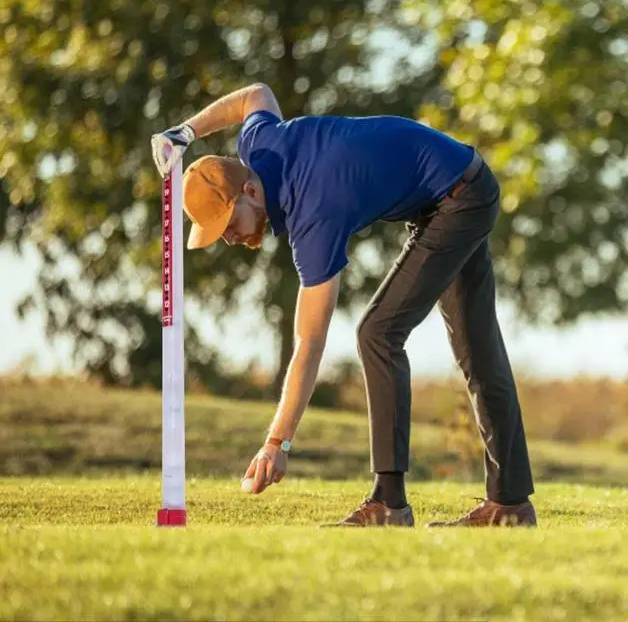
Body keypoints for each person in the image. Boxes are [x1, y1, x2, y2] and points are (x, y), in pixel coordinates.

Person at [151, 82, 536, 527]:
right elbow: (254, 95)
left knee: (378, 334)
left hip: (457, 200)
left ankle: (389, 504)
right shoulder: (258, 144)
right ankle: (510, 506)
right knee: (478, 351)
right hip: (456, 187)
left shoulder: (314, 209)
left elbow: (309, 342)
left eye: (228, 224)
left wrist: (278, 442)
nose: (231, 238)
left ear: (251, 193)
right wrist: (186, 131)